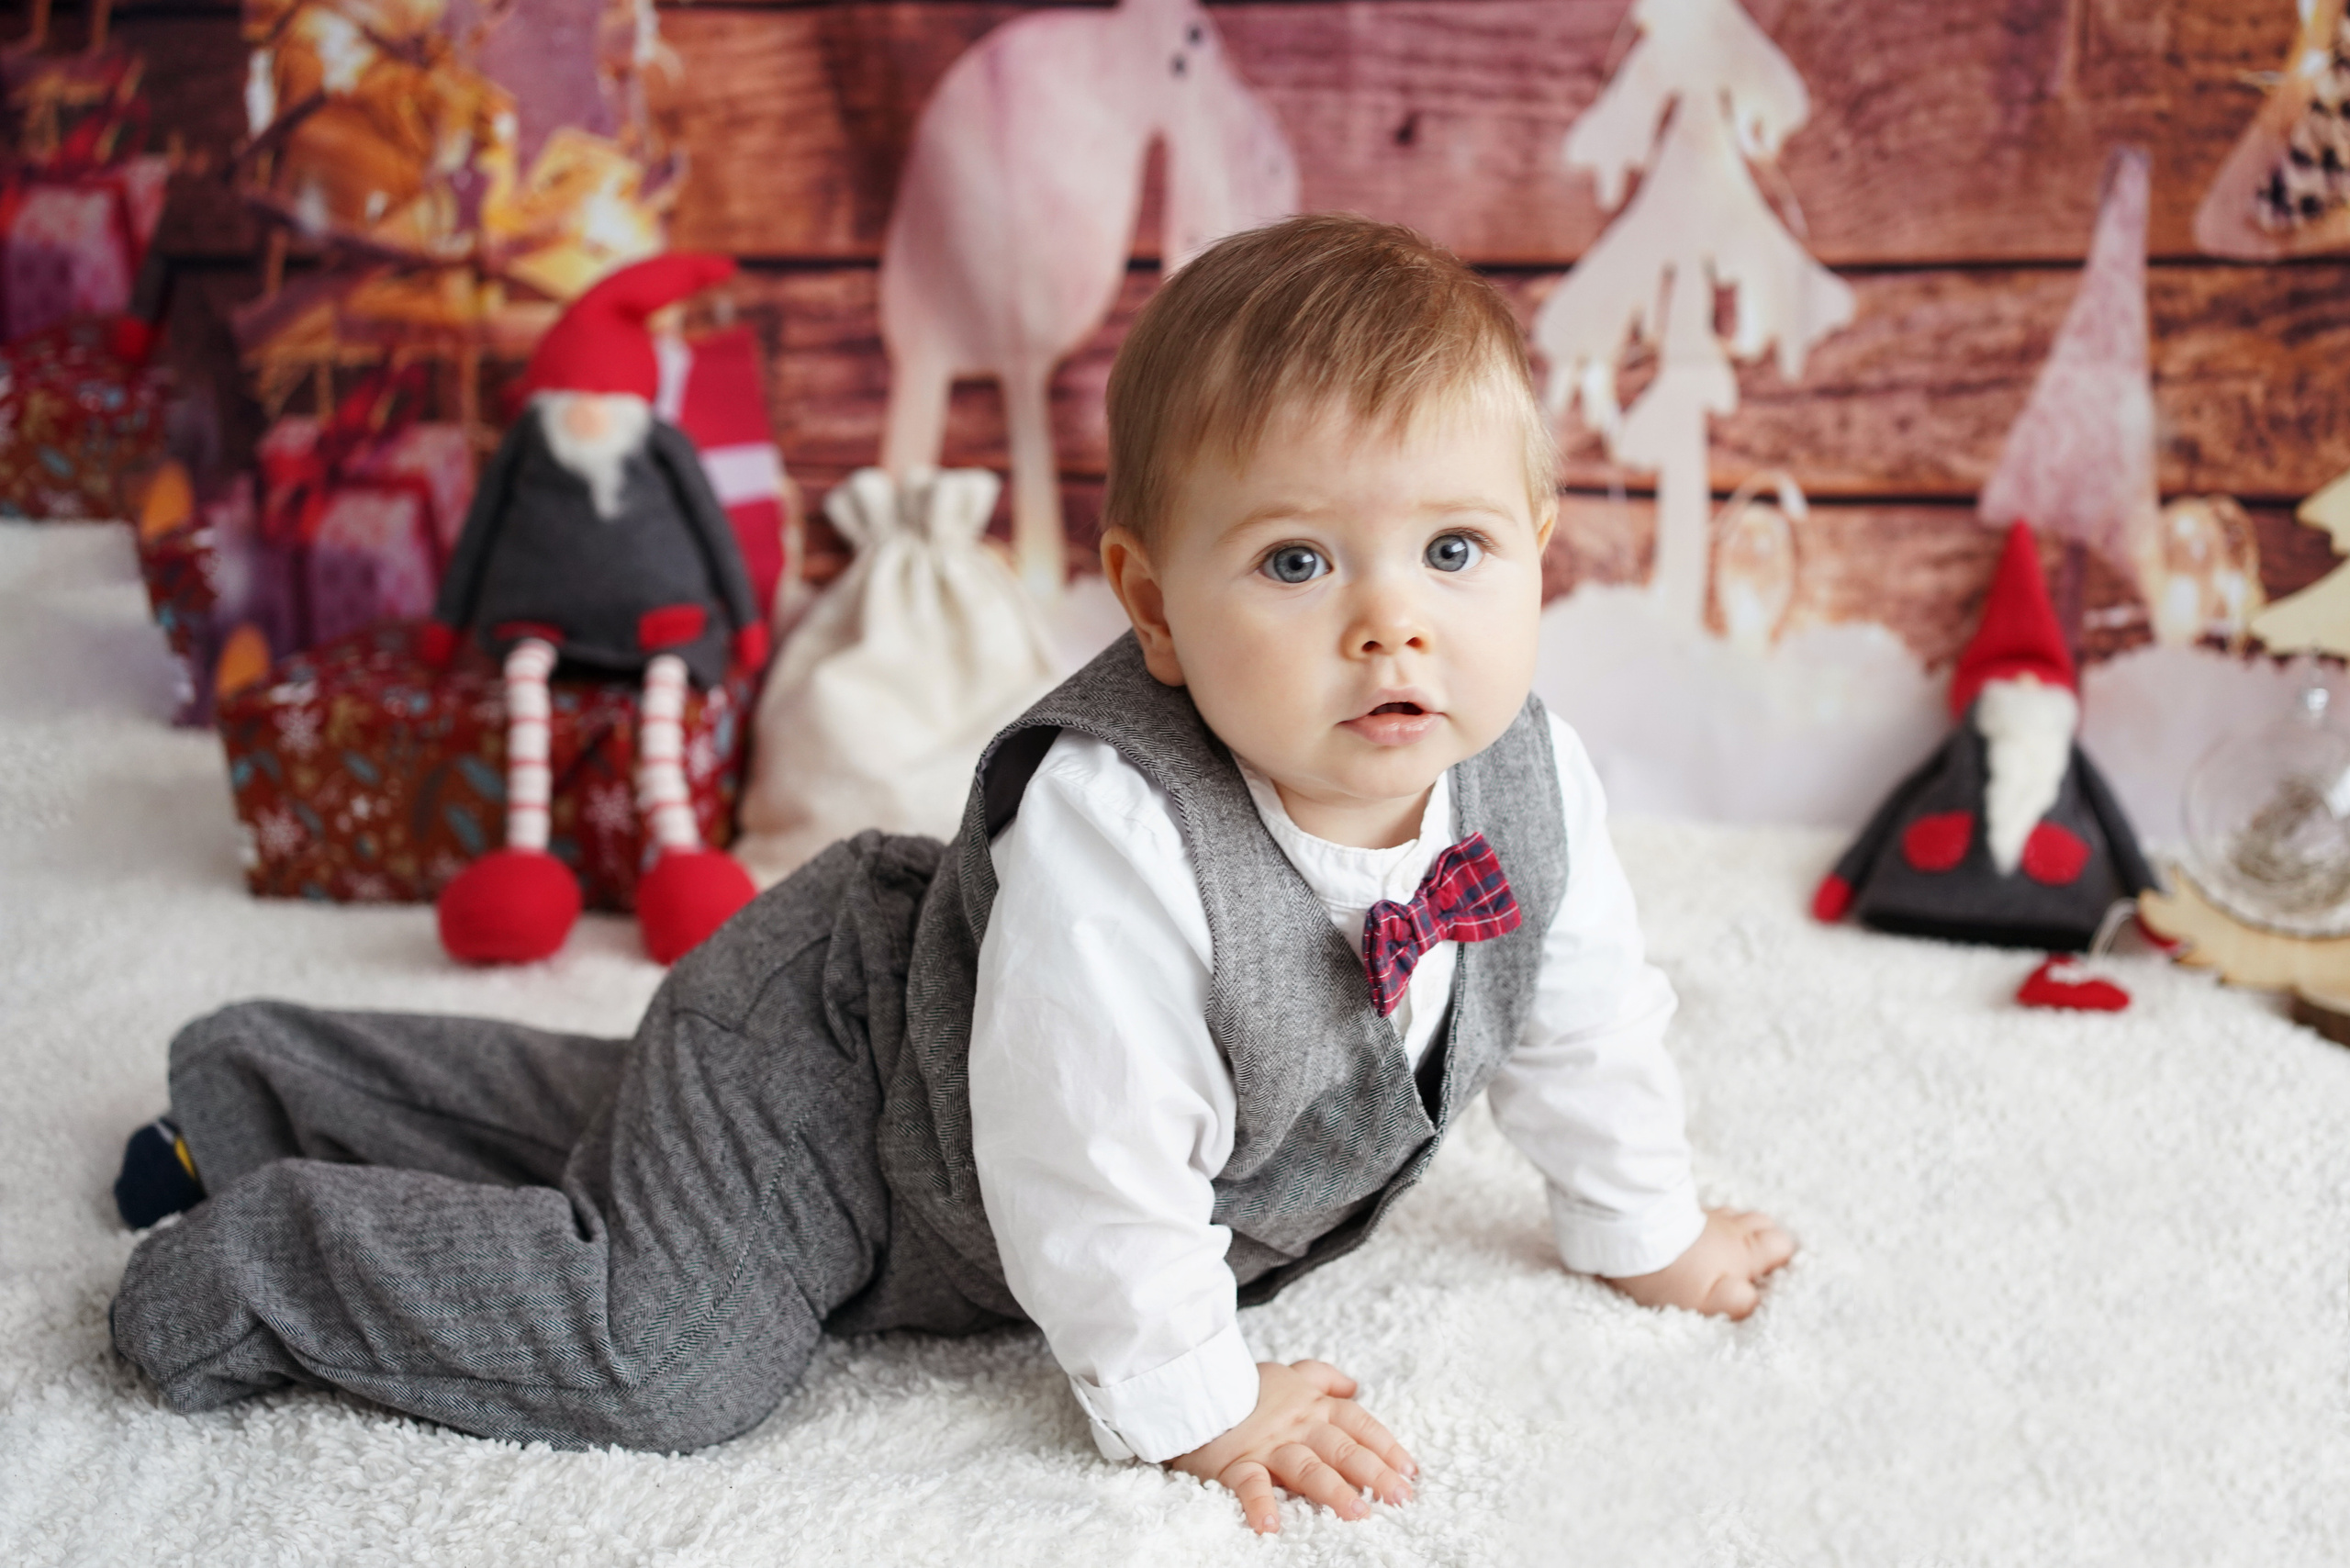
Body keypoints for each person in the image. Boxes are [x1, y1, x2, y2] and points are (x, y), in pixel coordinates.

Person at [107, 214, 1794, 1535]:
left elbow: (1578, 1020)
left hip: (917, 1113)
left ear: (1537, 543)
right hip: (830, 1079)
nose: (1392, 620)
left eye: (1453, 549)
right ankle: (250, 1264)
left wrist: (1640, 1228)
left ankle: (263, 1076)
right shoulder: (1121, 822)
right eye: (1295, 559)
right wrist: (1203, 1404)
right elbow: (1091, 1167)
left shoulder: (1527, 778)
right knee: (676, 1347)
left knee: (616, 1127)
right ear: (1151, 602)